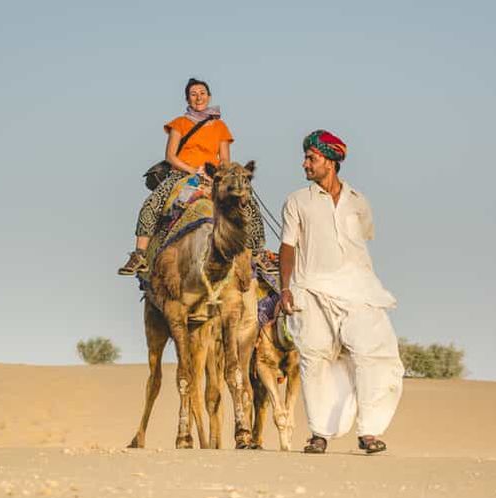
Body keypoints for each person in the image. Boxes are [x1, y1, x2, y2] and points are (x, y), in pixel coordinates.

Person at [279, 130, 404, 454]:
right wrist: (285, 288)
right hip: (311, 289)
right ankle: (319, 433)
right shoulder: (297, 201)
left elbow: (363, 240)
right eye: (306, 157)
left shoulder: (359, 201)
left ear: (330, 163)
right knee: (315, 358)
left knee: (375, 356)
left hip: (359, 289)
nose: (305, 163)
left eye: (312, 158)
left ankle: (369, 432)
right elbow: (287, 247)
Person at [118, 78, 265, 275]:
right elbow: (170, 156)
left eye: (202, 93)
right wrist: (191, 170)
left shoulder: (220, 126)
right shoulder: (180, 123)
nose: (198, 97)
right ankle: (139, 254)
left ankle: (258, 254)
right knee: (152, 204)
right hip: (181, 173)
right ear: (187, 98)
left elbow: (225, 160)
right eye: (194, 94)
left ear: (209, 96)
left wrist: (218, 175)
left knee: (248, 204)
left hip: (213, 177)